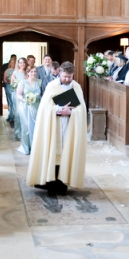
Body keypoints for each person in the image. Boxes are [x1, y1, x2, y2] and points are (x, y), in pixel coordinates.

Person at [26, 62, 87, 195]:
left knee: (66, 152)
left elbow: (82, 109)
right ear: (59, 73)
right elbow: (44, 108)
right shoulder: (51, 86)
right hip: (53, 125)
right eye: (65, 76)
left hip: (69, 126)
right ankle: (51, 185)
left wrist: (71, 112)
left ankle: (62, 185)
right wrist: (59, 109)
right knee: (52, 152)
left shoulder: (76, 87)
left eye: (69, 77)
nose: (67, 79)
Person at [16, 67, 43, 155]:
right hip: (25, 107)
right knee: (26, 126)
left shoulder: (39, 82)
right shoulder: (23, 82)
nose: (33, 73)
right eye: (31, 72)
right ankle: (26, 147)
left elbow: (42, 94)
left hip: (36, 107)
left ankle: (35, 148)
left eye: (35, 71)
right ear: (28, 73)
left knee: (35, 126)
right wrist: (25, 99)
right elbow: (19, 95)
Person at [11, 58, 27, 141]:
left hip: (26, 95)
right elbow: (12, 84)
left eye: (24, 62)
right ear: (18, 64)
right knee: (17, 114)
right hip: (17, 95)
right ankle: (18, 134)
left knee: (24, 114)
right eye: (20, 63)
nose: (22, 64)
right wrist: (17, 85)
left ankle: (25, 134)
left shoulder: (27, 72)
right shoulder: (15, 73)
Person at [3, 54, 18, 123]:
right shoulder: (7, 70)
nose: (13, 64)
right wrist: (10, 81)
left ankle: (13, 115)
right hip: (9, 86)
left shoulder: (17, 71)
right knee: (11, 101)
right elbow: (5, 80)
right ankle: (11, 116)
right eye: (11, 63)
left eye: (14, 63)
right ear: (10, 63)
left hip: (16, 87)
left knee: (15, 101)